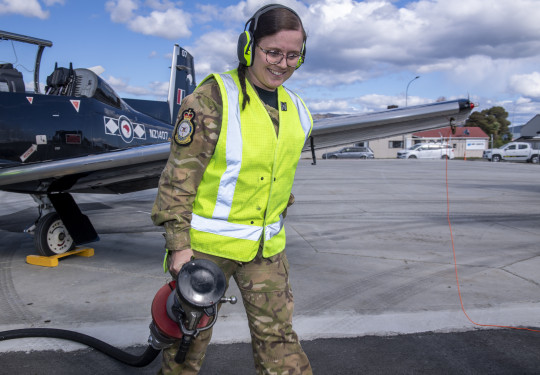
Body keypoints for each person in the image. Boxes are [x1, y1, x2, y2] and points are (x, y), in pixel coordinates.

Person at [152, 4, 313, 374]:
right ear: (248, 47)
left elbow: (277, 179)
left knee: (280, 342)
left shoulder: (298, 109)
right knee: (184, 352)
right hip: (206, 252)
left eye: (293, 55)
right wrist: (179, 247)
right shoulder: (212, 99)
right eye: (272, 52)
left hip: (265, 250)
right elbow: (178, 180)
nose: (282, 63)